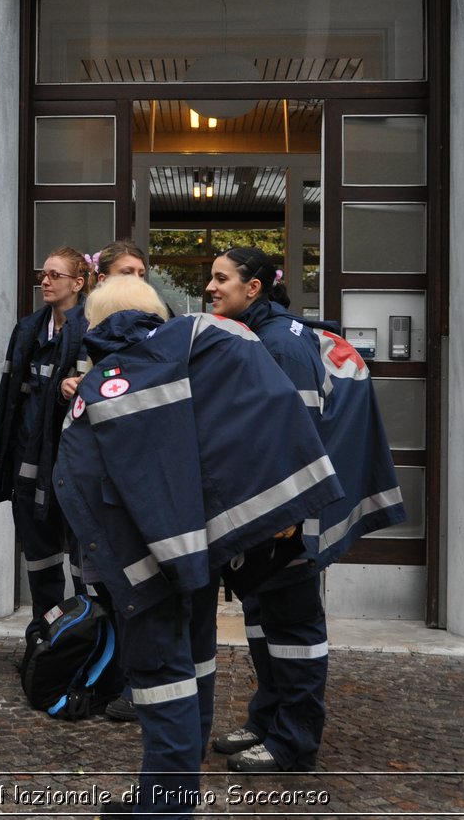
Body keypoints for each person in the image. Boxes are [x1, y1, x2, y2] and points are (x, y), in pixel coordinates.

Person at [54, 275, 341, 819]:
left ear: (101, 322)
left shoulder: (131, 372)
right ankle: (162, 795)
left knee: (162, 680)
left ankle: (166, 810)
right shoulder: (183, 354)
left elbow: (130, 473)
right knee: (189, 668)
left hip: (153, 557)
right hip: (192, 550)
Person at [204, 246, 404, 774]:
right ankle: (267, 720)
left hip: (288, 515)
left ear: (254, 288)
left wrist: (287, 514)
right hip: (268, 511)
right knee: (262, 620)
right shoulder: (264, 334)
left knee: (293, 627)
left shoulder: (281, 346)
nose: (210, 287)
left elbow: (298, 437)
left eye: (221, 278)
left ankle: (293, 744)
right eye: (211, 279)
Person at [0, 246, 92, 638]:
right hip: (28, 463)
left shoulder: (92, 331)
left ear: (78, 283)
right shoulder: (27, 330)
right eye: (43, 274)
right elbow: (9, 401)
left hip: (73, 467)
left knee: (82, 562)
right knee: (40, 559)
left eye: (55, 275)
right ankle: (44, 637)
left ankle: (82, 638)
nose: (45, 281)